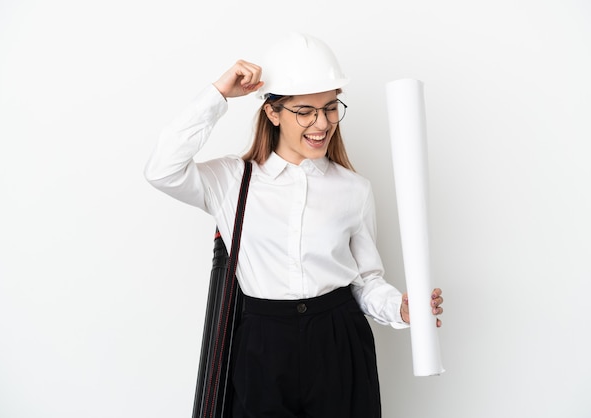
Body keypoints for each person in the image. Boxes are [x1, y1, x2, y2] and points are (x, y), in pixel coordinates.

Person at [145, 32, 444, 418]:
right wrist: (219, 94)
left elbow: (365, 281)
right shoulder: (232, 180)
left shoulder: (355, 189)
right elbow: (161, 170)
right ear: (272, 112)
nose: (321, 123)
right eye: (305, 111)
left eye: (330, 107)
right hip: (262, 345)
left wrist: (401, 309)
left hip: (339, 341)